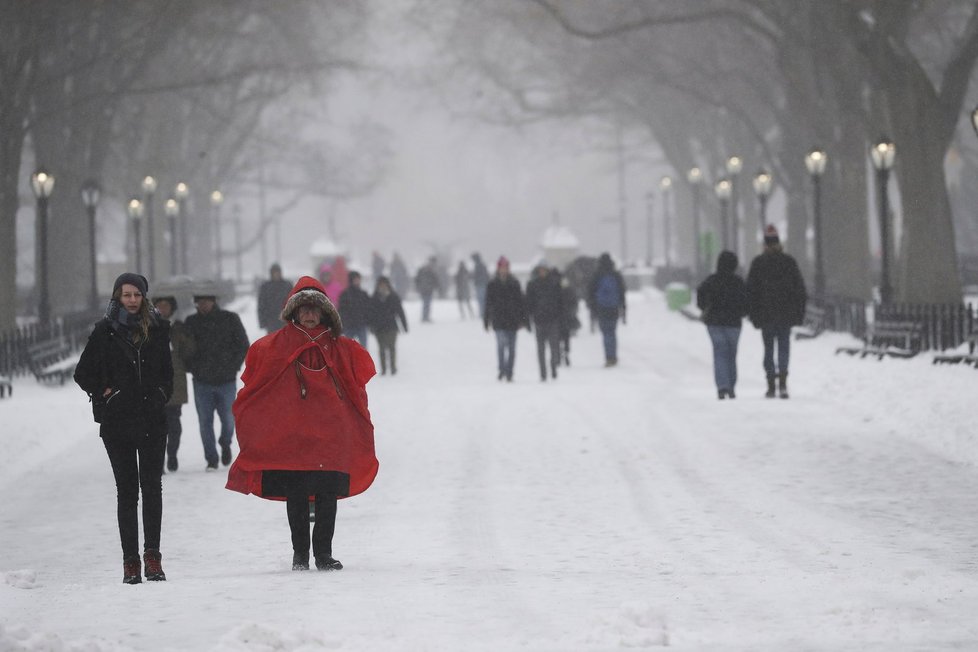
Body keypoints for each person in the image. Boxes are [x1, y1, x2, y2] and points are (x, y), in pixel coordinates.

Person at [226, 276, 378, 572]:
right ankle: (300, 555)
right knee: (296, 495)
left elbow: (358, 382)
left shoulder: (341, 348)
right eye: (304, 308)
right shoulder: (271, 347)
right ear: (294, 312)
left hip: (329, 436)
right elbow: (255, 387)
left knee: (326, 495)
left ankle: (323, 554)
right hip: (291, 438)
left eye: (314, 308)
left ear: (324, 313)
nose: (309, 313)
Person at [74, 273, 173, 584]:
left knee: (152, 489)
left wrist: (158, 394)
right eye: (126, 295)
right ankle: (130, 560)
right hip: (118, 423)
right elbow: (83, 373)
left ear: (144, 297)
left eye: (137, 295)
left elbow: (168, 376)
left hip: (152, 420)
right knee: (127, 493)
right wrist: (107, 391)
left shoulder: (157, 329)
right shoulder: (104, 331)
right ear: (117, 297)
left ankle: (152, 556)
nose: (131, 300)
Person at [184, 286, 250, 469]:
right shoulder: (191, 322)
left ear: (214, 301)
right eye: (200, 301)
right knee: (205, 422)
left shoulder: (230, 319)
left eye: (207, 301)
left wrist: (234, 366)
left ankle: (225, 442)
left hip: (226, 380)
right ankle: (211, 459)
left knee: (229, 420)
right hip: (201, 381)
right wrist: (193, 368)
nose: (204, 304)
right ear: (196, 303)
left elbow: (243, 345)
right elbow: (185, 350)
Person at [746, 225, 808, 399]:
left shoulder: (758, 263)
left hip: (766, 315)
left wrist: (753, 313)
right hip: (785, 314)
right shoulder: (789, 262)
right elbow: (799, 290)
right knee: (783, 348)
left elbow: (751, 291)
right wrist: (798, 312)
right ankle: (783, 382)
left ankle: (771, 383)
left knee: (768, 349)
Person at [696, 251, 749, 400]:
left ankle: (722, 386)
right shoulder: (738, 282)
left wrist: (704, 307)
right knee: (731, 354)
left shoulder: (711, 281)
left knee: (719, 353)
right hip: (733, 324)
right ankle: (731, 386)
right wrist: (742, 312)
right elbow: (746, 301)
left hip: (714, 322)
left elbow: (700, 296)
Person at [152, 295, 196, 471]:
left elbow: (190, 352)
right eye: (159, 305)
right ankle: (158, 460)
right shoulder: (147, 328)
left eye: (166, 305)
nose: (162, 309)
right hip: (153, 384)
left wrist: (181, 339)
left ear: (172, 308)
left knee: (174, 424)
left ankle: (172, 454)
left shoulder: (178, 328)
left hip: (174, 382)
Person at [483, 256, 528, 382]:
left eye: (505, 268)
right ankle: (502, 368)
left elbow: (521, 303)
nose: (504, 270)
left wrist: (523, 320)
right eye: (501, 268)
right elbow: (488, 304)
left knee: (512, 348)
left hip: (513, 321)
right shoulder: (492, 284)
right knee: (501, 346)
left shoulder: (515, 283)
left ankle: (510, 371)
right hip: (498, 320)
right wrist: (486, 321)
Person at [586, 253, 627, 367]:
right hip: (614, 308)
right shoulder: (616, 275)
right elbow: (622, 293)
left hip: (601, 308)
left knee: (605, 333)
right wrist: (623, 309)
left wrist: (592, 309)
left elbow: (590, 293)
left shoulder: (597, 275)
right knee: (612, 332)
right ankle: (613, 356)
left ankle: (609, 357)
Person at [525, 265, 564, 381]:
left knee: (554, 348)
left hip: (552, 320)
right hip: (539, 321)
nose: (542, 272)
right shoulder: (533, 285)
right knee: (541, 349)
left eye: (544, 270)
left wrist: (560, 317)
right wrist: (528, 319)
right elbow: (529, 303)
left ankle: (553, 367)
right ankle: (543, 372)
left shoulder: (554, 284)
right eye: (540, 270)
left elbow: (560, 302)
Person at [369, 275, 409, 375]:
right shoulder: (374, 298)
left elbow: (400, 311)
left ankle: (393, 367)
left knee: (391, 348)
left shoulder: (393, 297)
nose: (382, 286)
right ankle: (383, 369)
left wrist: (404, 325)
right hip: (379, 327)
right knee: (382, 349)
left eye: (384, 284)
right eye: (380, 284)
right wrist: (371, 326)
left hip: (391, 327)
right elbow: (370, 313)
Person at [338, 270, 372, 349]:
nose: (357, 281)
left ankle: (363, 361)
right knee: (348, 349)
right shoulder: (345, 294)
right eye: (355, 279)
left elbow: (369, 309)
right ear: (351, 280)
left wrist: (368, 321)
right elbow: (341, 311)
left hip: (361, 325)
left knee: (363, 349)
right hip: (349, 326)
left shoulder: (363, 294)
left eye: (358, 279)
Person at [257, 263, 292, 334]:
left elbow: (292, 302)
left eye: (277, 272)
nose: (276, 274)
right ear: (271, 273)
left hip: (284, 320)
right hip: (271, 321)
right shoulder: (265, 287)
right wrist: (262, 322)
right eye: (274, 272)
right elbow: (261, 305)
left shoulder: (287, 285)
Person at [557, 269, 581, 366]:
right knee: (566, 338)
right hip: (567, 318)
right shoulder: (569, 289)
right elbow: (574, 303)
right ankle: (566, 353)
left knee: (558, 338)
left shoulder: (555, 289)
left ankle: (559, 355)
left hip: (558, 318)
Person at [415, 256, 441, 323]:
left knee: (426, 303)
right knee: (427, 303)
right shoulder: (431, 270)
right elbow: (435, 280)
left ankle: (425, 317)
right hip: (427, 289)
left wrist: (417, 287)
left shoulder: (423, 269)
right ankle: (425, 317)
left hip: (425, 289)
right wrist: (437, 286)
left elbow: (417, 279)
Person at [471, 252, 490, 320]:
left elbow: (477, 276)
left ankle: (483, 313)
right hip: (482, 284)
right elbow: (487, 276)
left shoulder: (478, 266)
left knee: (481, 300)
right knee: (483, 300)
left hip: (480, 285)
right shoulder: (482, 265)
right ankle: (483, 313)